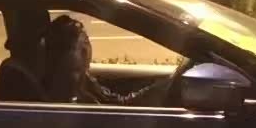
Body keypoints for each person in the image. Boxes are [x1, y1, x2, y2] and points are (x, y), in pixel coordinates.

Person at [42, 15, 175, 106]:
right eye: (80, 47)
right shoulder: (48, 94)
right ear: (57, 53)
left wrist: (166, 86)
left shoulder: (84, 81)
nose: (87, 52)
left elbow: (119, 103)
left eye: (87, 43)